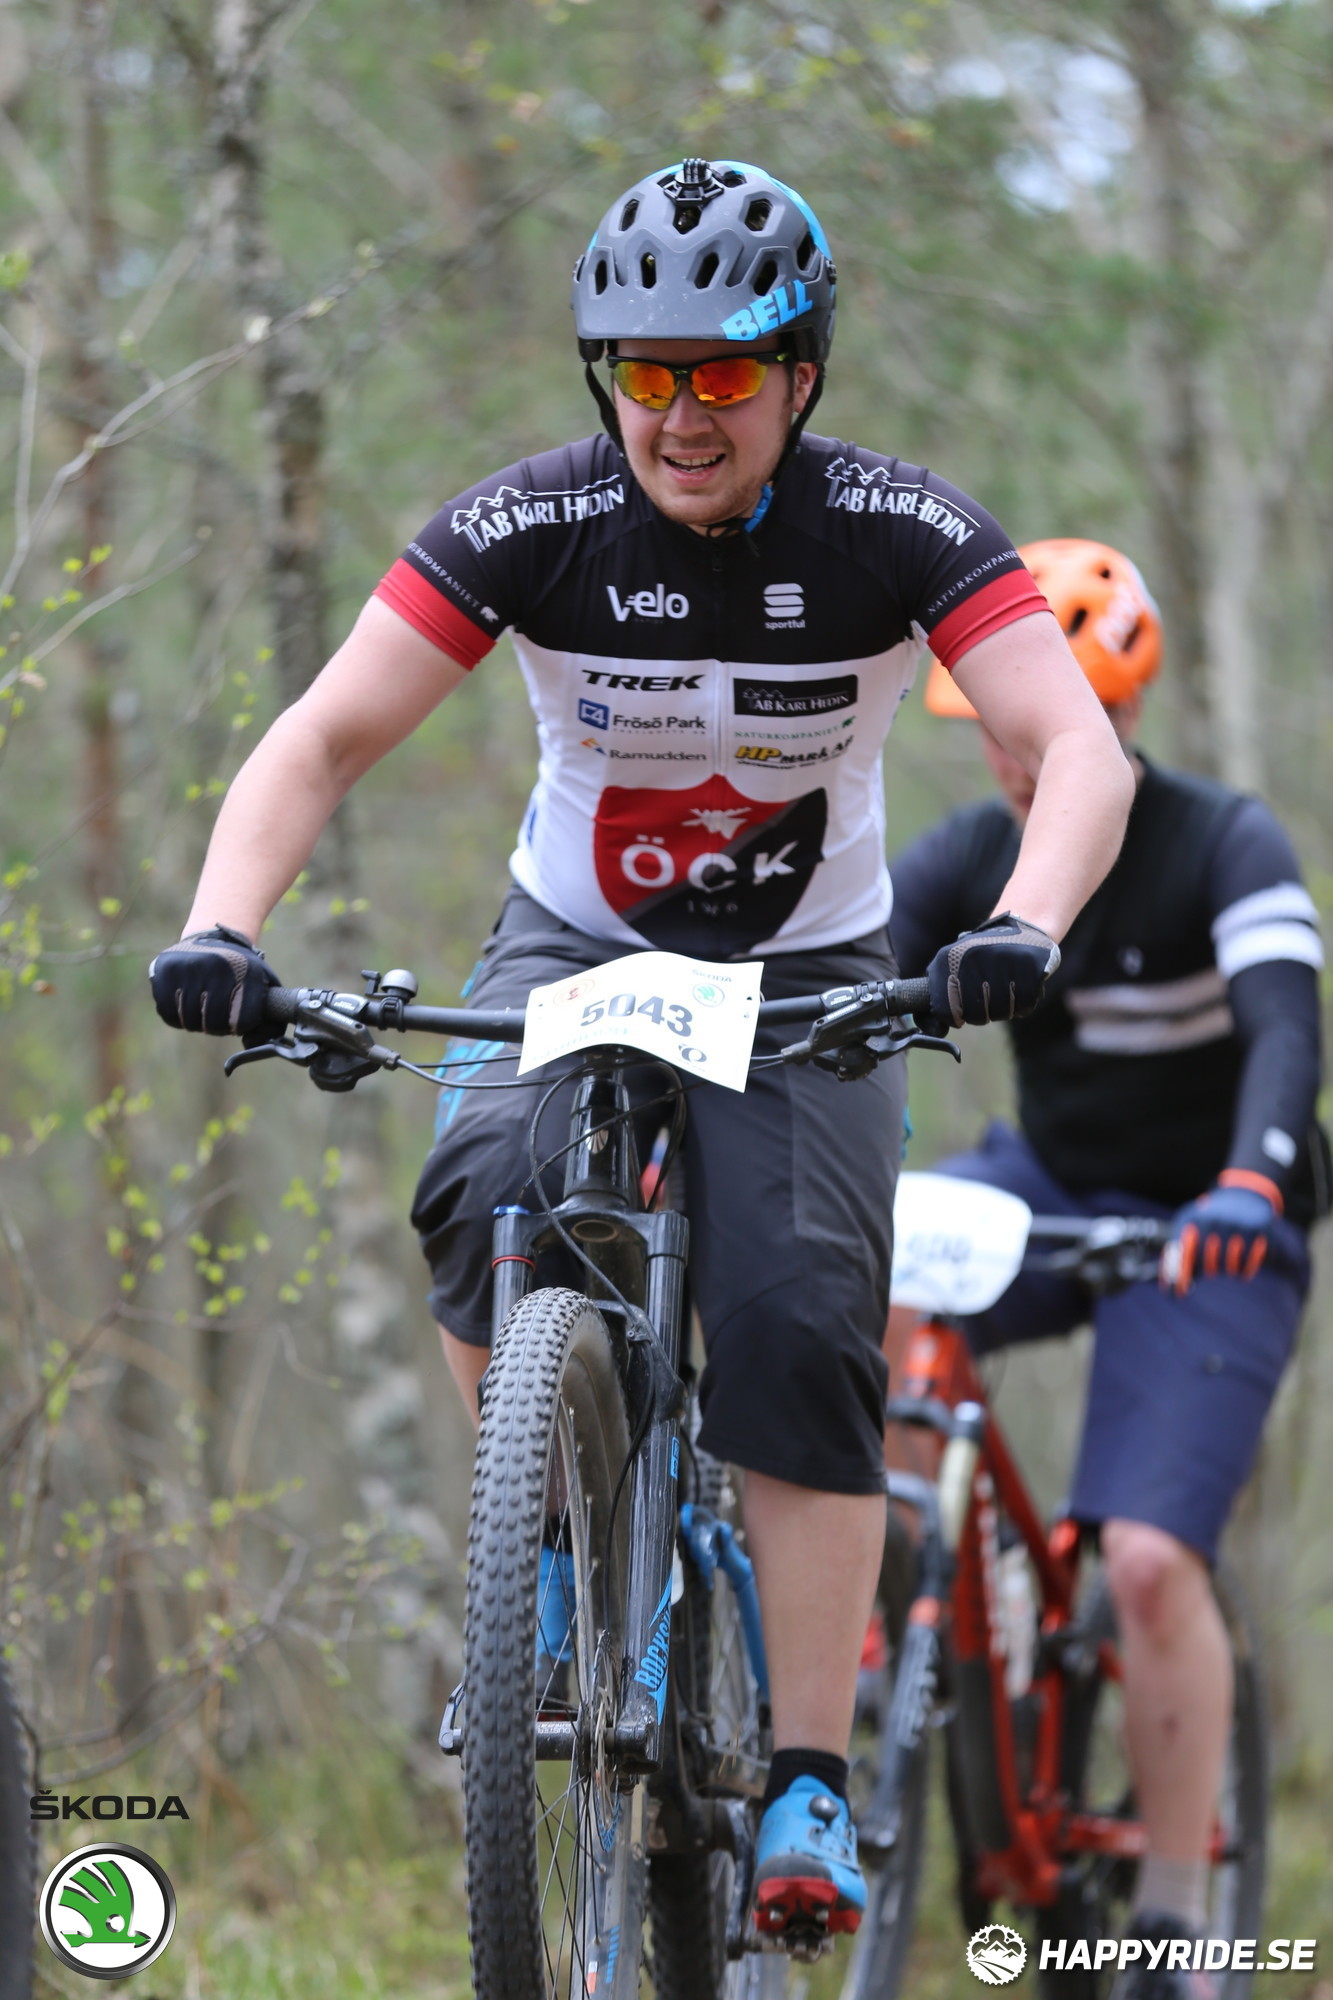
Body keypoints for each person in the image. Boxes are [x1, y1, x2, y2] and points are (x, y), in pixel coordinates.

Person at [149, 161, 1133, 1941]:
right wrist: (223, 928)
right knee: (480, 1190)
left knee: (798, 1315)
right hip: (575, 944)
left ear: (800, 377)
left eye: (724, 374)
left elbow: (1077, 752)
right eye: (645, 374)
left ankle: (807, 1777)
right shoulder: (527, 524)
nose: (682, 415)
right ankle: (539, 1545)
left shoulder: (893, 527)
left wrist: (1023, 927)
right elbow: (321, 738)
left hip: (809, 970)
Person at [886, 537, 1325, 1996]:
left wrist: (1254, 1178)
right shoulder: (971, 858)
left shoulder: (1223, 844)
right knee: (861, 1257)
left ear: (1117, 716)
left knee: (1142, 1558)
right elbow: (850, 985)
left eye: (1050, 727)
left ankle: (1178, 1914)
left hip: (1212, 1223)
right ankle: (933, 1584)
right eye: (999, 729)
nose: (1020, 761)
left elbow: (1284, 1027)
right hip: (1049, 1187)